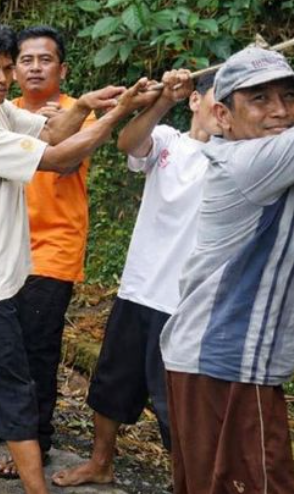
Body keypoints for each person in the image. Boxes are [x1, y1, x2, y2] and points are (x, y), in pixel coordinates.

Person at [0, 20, 152, 492]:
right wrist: (118, 113)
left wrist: (86, 104)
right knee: (15, 390)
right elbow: (57, 156)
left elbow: (50, 130)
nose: (4, 77)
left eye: (8, 67)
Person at [159, 47, 294, 494]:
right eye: (260, 100)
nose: (282, 111)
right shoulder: (250, 163)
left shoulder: (282, 163)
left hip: (221, 363)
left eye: (288, 96)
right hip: (225, 366)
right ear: (223, 116)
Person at [51, 69, 216, 487]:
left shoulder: (237, 157)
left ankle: (189, 482)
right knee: (112, 383)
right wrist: (163, 100)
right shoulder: (167, 141)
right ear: (195, 100)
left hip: (187, 305)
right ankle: (100, 463)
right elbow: (128, 143)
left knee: (176, 404)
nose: (223, 107)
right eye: (217, 96)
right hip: (140, 287)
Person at [0, 25, 100, 476]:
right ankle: (4, 427)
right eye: (27, 60)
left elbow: (65, 160)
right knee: (2, 345)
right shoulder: (2, 112)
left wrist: (58, 126)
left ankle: (37, 440)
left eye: (45, 59)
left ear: (62, 68)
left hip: (54, 248)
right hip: (3, 246)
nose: (35, 68)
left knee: (37, 349)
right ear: (13, 70)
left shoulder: (82, 114)